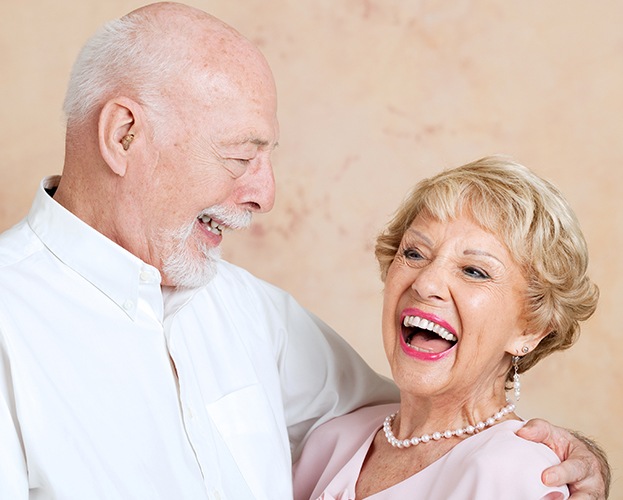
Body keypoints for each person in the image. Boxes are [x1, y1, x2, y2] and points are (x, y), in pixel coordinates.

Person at [0, 2, 607, 499]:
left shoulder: (251, 312)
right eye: (240, 157)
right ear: (123, 135)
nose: (264, 194)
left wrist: (564, 455)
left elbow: (427, 416)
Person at [292, 156, 611, 499]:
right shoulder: (331, 441)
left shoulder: (519, 471)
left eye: (474, 271)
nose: (425, 283)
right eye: (414, 253)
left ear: (530, 329)